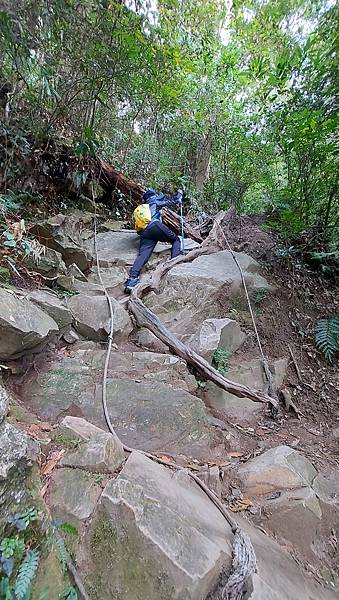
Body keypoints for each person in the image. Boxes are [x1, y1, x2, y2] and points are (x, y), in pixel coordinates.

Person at [124, 187, 184, 292]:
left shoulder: (142, 208)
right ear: (153, 195)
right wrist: (179, 195)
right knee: (176, 240)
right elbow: (173, 201)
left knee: (142, 255)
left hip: (144, 232)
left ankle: (132, 280)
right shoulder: (155, 201)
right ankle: (175, 265)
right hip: (154, 226)